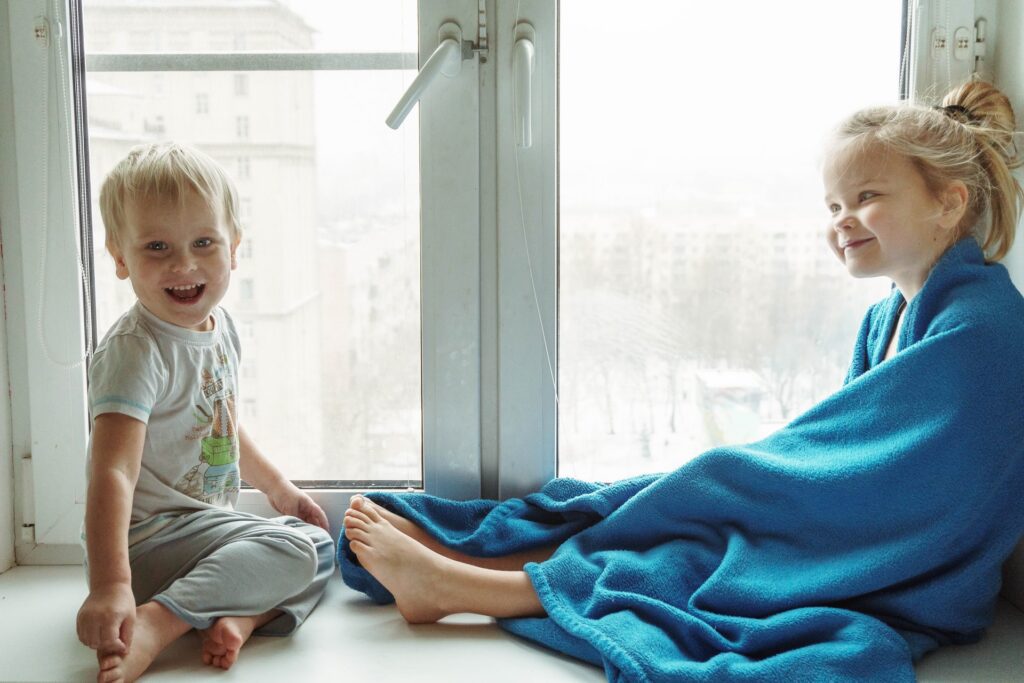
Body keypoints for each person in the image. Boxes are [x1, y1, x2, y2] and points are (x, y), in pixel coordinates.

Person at [341, 79, 1024, 681]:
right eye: (832, 204)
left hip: (909, 566)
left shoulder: (983, 329)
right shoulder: (889, 316)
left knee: (703, 524)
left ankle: (460, 585)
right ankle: (481, 562)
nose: (841, 219)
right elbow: (845, 453)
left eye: (866, 197)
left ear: (948, 203)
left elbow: (903, 484)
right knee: (686, 507)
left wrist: (753, 483)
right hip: (865, 528)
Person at [76, 142, 335, 683]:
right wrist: (110, 586)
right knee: (291, 548)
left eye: (203, 242)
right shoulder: (135, 350)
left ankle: (238, 618)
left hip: (201, 535)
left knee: (319, 545)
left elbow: (222, 424)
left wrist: (279, 490)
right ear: (120, 259)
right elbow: (113, 472)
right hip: (147, 547)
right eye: (156, 246)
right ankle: (158, 621)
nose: (184, 264)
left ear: (233, 248)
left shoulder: (221, 330)